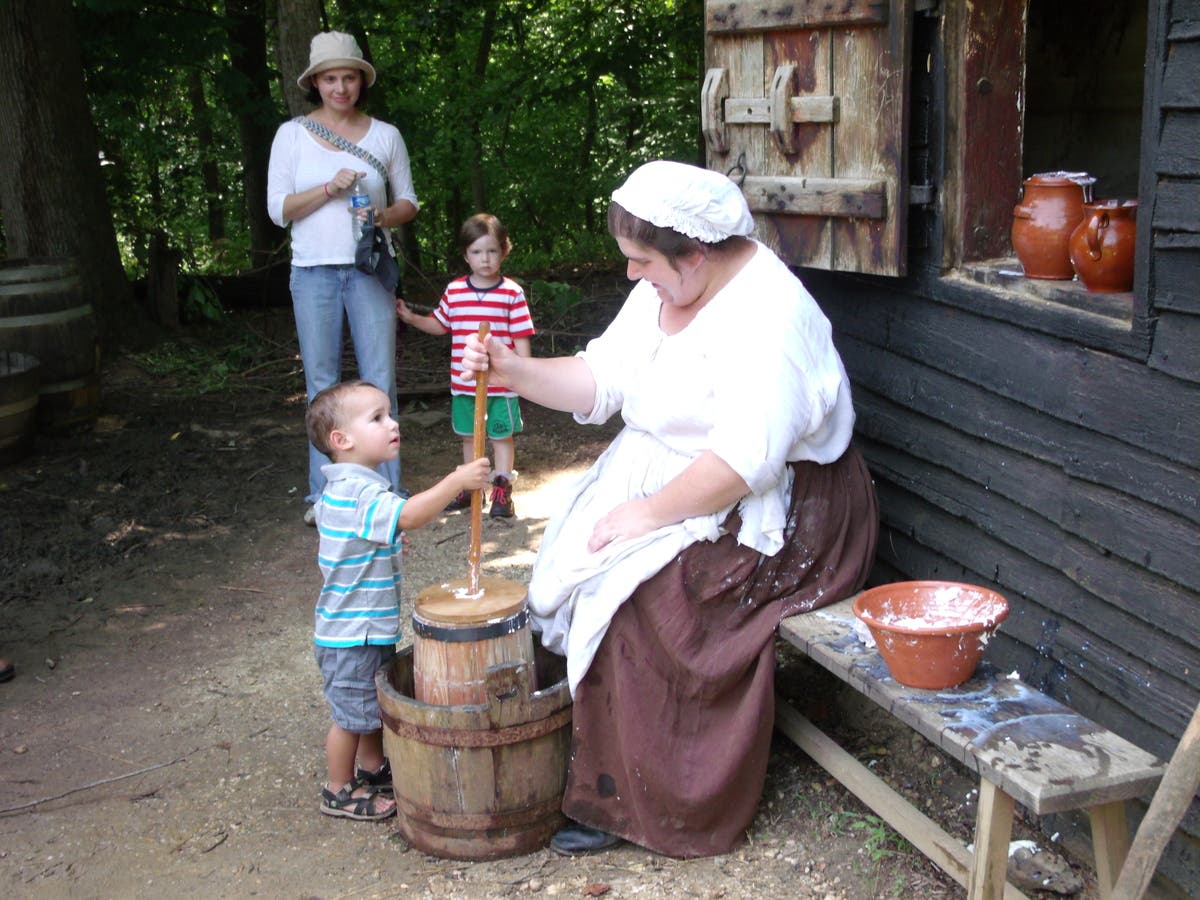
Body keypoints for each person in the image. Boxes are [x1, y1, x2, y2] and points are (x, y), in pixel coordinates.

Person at [460, 160, 879, 858]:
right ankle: (588, 744)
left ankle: (645, 796)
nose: (631, 274)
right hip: (685, 478)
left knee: (647, 598)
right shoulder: (667, 285)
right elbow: (602, 378)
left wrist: (648, 514)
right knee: (577, 560)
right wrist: (514, 370)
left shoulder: (767, 318)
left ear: (697, 253)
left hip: (781, 512)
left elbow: (743, 464)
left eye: (642, 261)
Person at [305, 379, 491, 821]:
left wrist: (384, 541)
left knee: (369, 704)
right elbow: (409, 515)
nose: (393, 424)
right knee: (350, 717)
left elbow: (357, 537)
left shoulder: (349, 487)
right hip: (352, 634)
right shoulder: (358, 491)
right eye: (377, 418)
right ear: (341, 440)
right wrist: (456, 481)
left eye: (390, 413)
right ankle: (338, 788)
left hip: (365, 628)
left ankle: (371, 769)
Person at [267, 31, 420, 525]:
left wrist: (381, 216)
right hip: (312, 271)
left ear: (361, 81)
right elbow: (278, 209)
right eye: (330, 78)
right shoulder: (291, 135)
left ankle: (387, 492)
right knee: (321, 384)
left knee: (380, 381)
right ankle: (325, 497)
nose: (340, 87)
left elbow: (409, 202)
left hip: (370, 268)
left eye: (348, 77)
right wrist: (328, 189)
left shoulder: (385, 135)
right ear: (315, 82)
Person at [396, 213, 535, 518]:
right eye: (477, 251)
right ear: (465, 255)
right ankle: (472, 488)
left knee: (501, 436)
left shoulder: (511, 292)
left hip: (502, 386)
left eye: (492, 251)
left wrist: (524, 375)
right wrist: (412, 318)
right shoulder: (456, 291)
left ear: (504, 251)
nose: (485, 259)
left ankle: (502, 490)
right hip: (464, 384)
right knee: (470, 437)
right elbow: (440, 324)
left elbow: (521, 337)